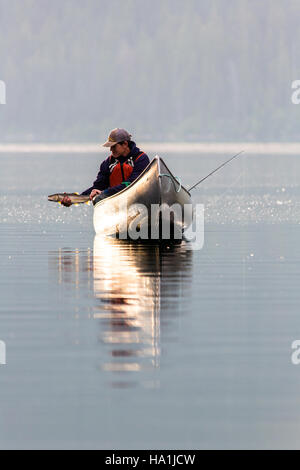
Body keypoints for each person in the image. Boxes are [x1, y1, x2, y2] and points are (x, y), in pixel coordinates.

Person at [61, 128, 150, 206]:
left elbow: (132, 184)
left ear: (125, 144)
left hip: (139, 201)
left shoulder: (141, 159)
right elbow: (97, 187)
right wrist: (73, 199)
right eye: (110, 146)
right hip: (116, 204)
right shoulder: (107, 163)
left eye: (113, 146)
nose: (110, 149)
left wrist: (105, 193)